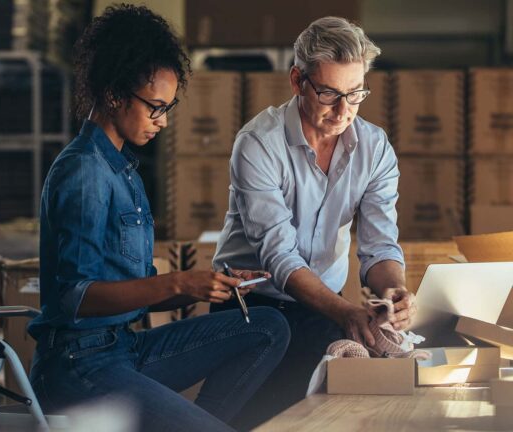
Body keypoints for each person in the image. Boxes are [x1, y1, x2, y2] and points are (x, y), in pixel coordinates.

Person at [27, 5, 289, 431]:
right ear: (113, 94)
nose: (163, 121)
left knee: (268, 326)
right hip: (78, 366)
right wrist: (180, 282)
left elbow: (138, 290)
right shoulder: (84, 171)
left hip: (123, 349)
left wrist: (210, 283)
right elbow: (75, 297)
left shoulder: (122, 170)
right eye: (154, 107)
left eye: (168, 107)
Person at [211, 16, 417, 428]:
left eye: (356, 94)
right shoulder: (258, 144)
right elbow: (280, 256)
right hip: (249, 303)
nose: (344, 111)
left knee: (318, 418)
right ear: (297, 81)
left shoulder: (374, 149)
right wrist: (344, 313)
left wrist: (392, 289)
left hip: (324, 303)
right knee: (241, 419)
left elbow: (379, 247)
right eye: (328, 94)